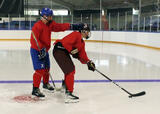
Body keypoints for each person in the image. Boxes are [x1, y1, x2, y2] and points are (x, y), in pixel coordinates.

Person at [30, 8, 84, 99]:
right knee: (40, 70)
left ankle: (46, 84)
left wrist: (72, 26)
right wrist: (40, 49)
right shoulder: (37, 26)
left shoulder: (50, 24)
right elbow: (34, 39)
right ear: (44, 16)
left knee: (47, 68)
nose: (51, 18)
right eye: (49, 16)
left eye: (51, 16)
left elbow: (59, 27)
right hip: (37, 50)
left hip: (45, 50)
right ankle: (35, 89)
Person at [53, 24, 96, 103]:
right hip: (59, 50)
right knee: (70, 70)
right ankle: (69, 93)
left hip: (62, 52)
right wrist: (72, 50)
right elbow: (65, 43)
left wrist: (88, 62)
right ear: (83, 31)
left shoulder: (82, 43)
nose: (88, 33)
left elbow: (82, 56)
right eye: (87, 31)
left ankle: (65, 87)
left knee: (69, 69)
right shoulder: (76, 34)